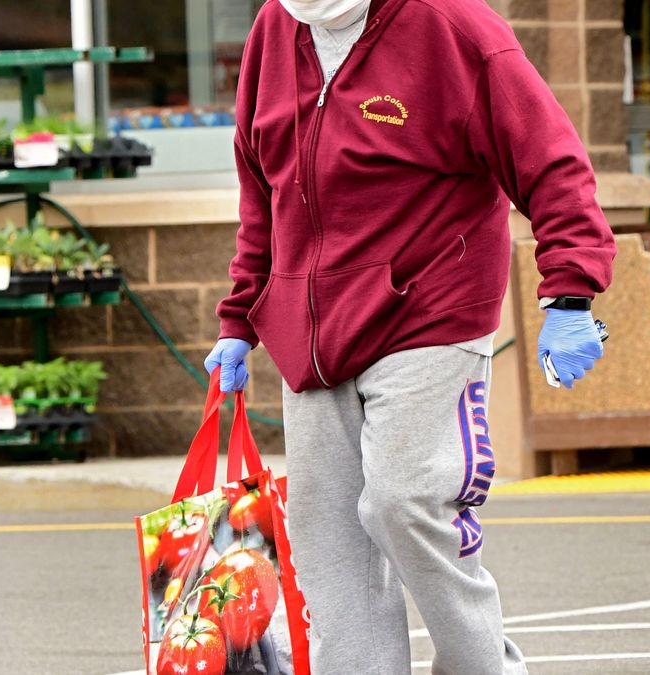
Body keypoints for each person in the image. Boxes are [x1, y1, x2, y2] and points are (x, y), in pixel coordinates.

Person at [204, 0, 615, 671]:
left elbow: (550, 159)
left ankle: (483, 666)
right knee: (327, 537)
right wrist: (241, 316)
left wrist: (569, 291)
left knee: (406, 500)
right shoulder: (275, 31)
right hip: (311, 334)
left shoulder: (452, 26)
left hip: (430, 310)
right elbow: (264, 188)